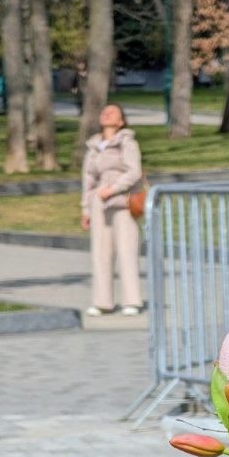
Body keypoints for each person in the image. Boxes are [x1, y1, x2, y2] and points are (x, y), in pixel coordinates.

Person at [80, 103, 144, 316]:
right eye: (104, 111)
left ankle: (132, 301)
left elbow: (134, 172)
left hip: (122, 201)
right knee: (100, 253)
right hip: (99, 202)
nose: (106, 114)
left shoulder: (127, 142)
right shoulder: (94, 146)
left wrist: (114, 189)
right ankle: (102, 302)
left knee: (127, 251)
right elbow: (88, 180)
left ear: (121, 121)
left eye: (112, 112)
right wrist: (86, 209)